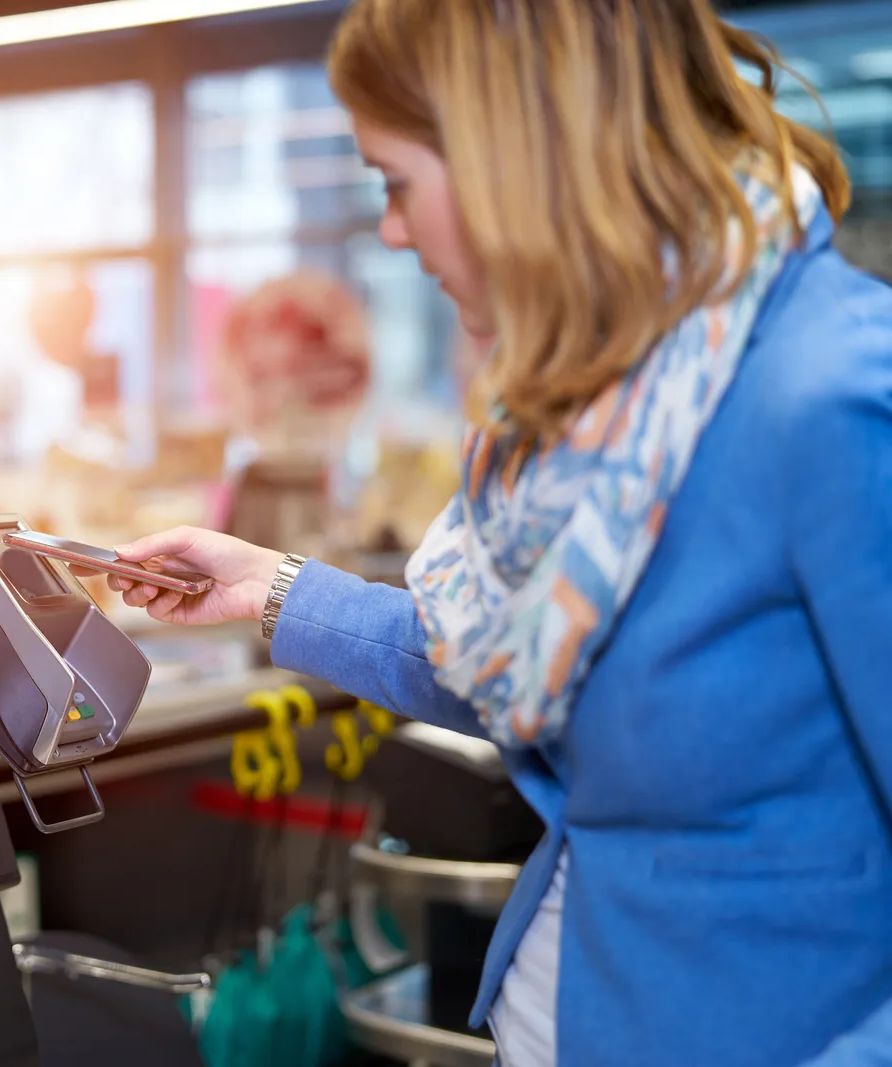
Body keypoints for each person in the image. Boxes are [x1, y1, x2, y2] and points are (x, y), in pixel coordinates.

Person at [110, 2, 892, 1065]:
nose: (388, 231)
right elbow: (522, 667)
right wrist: (273, 586)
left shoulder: (830, 396)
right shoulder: (615, 401)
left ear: (512, 166)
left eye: (395, 183)